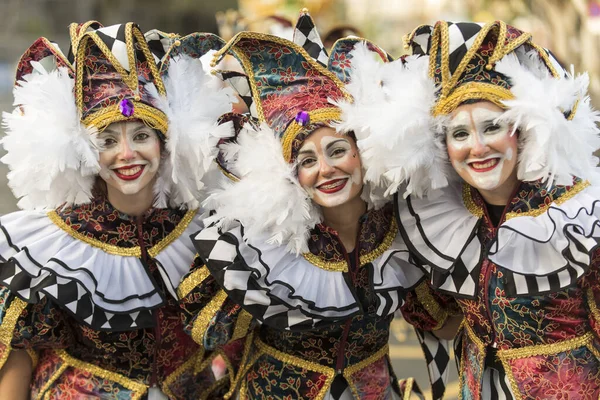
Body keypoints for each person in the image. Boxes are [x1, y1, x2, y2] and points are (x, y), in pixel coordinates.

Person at [178, 10, 426, 400]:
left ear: (364, 153)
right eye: (307, 160)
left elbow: (437, 318)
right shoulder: (262, 244)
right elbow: (208, 332)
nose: (325, 170)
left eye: (338, 150)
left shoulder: (402, 226)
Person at [356, 20, 600, 399]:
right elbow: (435, 317)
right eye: (460, 134)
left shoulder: (575, 218)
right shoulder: (443, 218)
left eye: (492, 127)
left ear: (519, 132)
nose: (478, 147)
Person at [0, 22, 239, 399]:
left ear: (165, 144)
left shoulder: (203, 233)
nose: (126, 154)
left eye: (141, 136)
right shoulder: (49, 245)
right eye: (107, 141)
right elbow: (20, 350)